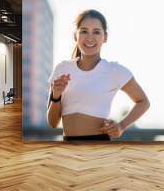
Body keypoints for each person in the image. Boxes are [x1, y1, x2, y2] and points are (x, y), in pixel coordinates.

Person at [47, 9, 150, 141]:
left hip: (99, 146)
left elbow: (144, 102)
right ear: (75, 36)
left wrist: (121, 126)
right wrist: (56, 96)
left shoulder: (114, 70)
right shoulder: (62, 69)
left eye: (96, 32)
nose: (90, 37)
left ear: (105, 37)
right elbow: (52, 123)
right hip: (68, 147)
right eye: (84, 31)